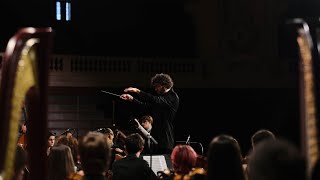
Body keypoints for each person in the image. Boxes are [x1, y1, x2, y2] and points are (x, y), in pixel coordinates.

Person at [120, 73, 179, 154]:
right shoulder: (161, 98)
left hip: (165, 141)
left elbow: (155, 99)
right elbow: (145, 107)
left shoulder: (172, 97)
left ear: (163, 85)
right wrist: (132, 99)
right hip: (155, 140)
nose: (155, 89)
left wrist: (137, 91)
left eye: (156, 86)